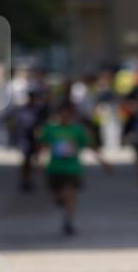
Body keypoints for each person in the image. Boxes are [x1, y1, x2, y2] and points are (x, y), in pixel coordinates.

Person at [39, 101, 107, 236]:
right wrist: (40, 162)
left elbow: (90, 145)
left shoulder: (77, 130)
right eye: (62, 114)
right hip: (54, 168)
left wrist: (103, 161)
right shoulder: (50, 129)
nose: (64, 117)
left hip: (72, 169)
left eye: (67, 114)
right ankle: (60, 201)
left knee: (70, 194)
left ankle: (68, 221)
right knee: (57, 195)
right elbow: (43, 147)